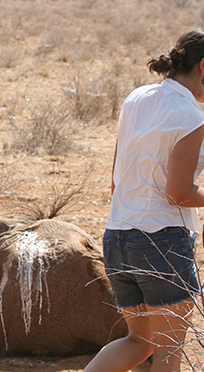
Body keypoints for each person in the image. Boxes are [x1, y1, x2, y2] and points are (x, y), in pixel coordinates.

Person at [84, 30, 204, 372]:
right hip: (162, 241)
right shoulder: (191, 115)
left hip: (117, 235)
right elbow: (178, 193)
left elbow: (116, 179)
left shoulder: (137, 98)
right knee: (168, 352)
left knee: (140, 342)